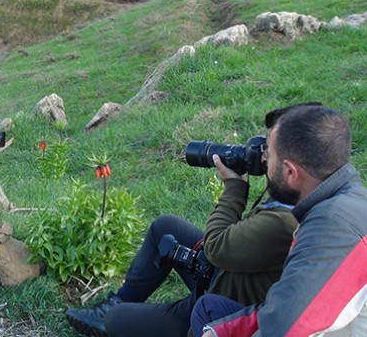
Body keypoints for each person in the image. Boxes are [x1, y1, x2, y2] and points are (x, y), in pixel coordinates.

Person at [65, 106, 303, 337]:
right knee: (165, 226)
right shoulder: (300, 197)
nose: (261, 156)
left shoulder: (284, 222)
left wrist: (234, 188)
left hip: (223, 306)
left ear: (291, 170)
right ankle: (120, 299)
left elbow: (216, 248)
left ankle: (114, 314)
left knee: (116, 319)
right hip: (233, 275)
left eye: (268, 153)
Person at [191, 105, 367, 337]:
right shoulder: (352, 200)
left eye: (270, 156)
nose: (264, 161)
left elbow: (285, 329)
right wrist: (219, 331)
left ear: (291, 172)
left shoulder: (328, 228)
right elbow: (285, 308)